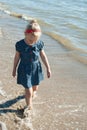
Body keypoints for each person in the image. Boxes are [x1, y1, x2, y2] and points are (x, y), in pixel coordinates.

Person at [12, 20, 51, 113]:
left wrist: (48, 68)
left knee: (35, 88)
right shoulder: (20, 44)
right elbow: (17, 57)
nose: (32, 42)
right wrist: (14, 68)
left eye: (35, 40)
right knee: (29, 91)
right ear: (25, 34)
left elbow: (43, 56)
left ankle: (29, 95)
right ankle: (29, 106)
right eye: (30, 40)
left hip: (36, 69)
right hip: (24, 69)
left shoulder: (39, 43)